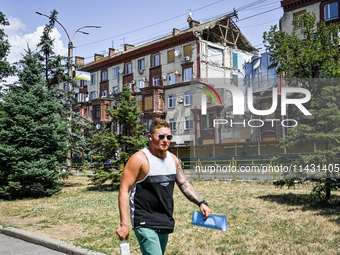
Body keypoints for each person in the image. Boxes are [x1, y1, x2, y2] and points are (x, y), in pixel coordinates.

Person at [116, 119, 212, 255]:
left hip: (164, 220)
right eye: (161, 136)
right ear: (150, 137)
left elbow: (184, 183)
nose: (165, 140)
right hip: (144, 220)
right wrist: (124, 224)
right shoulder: (139, 159)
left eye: (168, 137)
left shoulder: (173, 160)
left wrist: (201, 203)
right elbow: (124, 190)